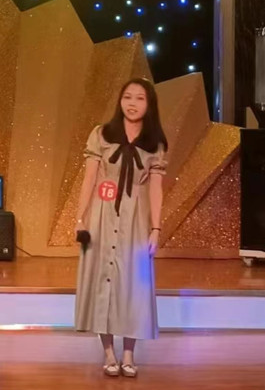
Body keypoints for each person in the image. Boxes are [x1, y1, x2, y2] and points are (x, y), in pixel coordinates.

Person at [74, 77, 168, 378]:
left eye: (140, 98)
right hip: (103, 215)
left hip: (136, 219)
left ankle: (129, 354)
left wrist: (156, 228)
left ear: (149, 104)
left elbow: (156, 189)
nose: (132, 103)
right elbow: (89, 179)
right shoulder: (101, 134)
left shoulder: (155, 143)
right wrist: (80, 218)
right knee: (102, 281)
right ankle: (108, 353)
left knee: (133, 286)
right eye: (127, 97)